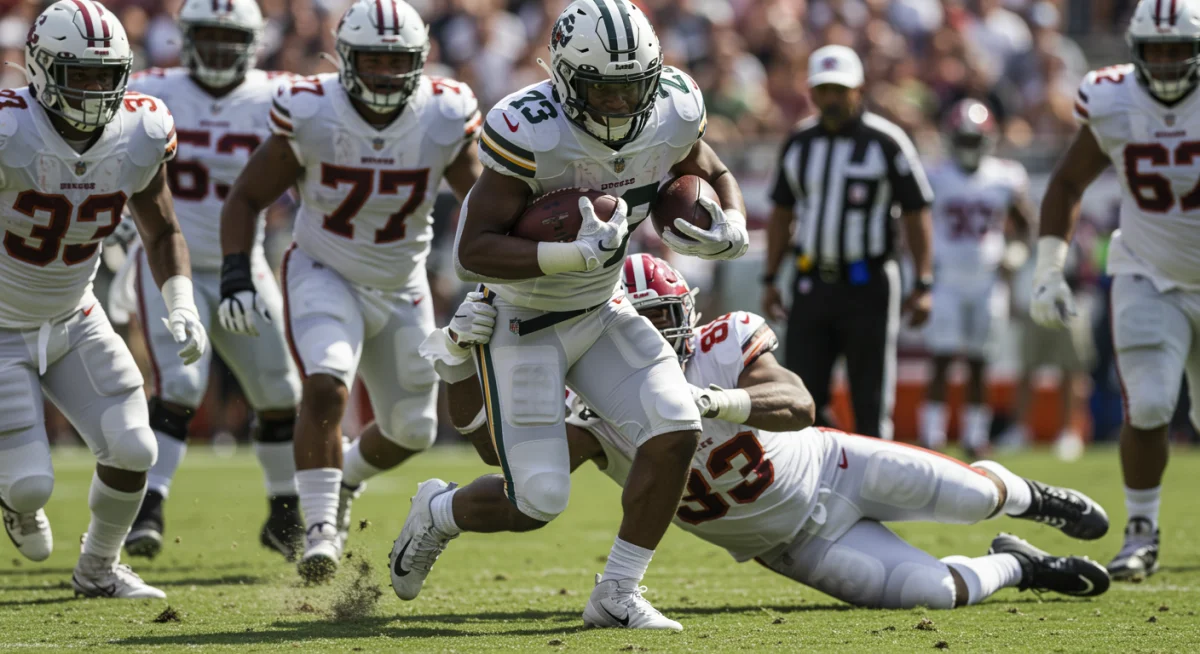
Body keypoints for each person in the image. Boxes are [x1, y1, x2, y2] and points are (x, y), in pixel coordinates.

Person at [425, 254, 1111, 612]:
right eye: (644, 322)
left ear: (688, 313)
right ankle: (1019, 565)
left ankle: (1030, 497)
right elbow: (511, 460)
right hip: (790, 544)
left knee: (975, 496)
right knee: (934, 594)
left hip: (836, 467)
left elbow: (798, 403)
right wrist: (459, 370)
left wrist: (709, 401)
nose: (660, 335)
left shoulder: (723, 344)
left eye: (667, 317)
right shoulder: (597, 403)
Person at [391, 0, 750, 631]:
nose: (619, 103)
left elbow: (712, 169)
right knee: (538, 500)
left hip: (603, 308)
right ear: (562, 78)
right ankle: (439, 512)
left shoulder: (673, 106)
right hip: (523, 318)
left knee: (676, 425)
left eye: (631, 88)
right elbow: (472, 251)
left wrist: (733, 224)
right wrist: (570, 254)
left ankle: (617, 592)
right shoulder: (530, 127)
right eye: (601, 89)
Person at [218, 0, 482, 583]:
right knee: (326, 380)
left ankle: (347, 480)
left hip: (402, 281)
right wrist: (236, 270)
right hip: (324, 269)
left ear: (419, 61)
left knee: (413, 430)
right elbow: (246, 196)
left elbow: (483, 202)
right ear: (345, 59)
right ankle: (319, 529)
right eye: (373, 61)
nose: (386, 74)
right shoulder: (312, 109)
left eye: (397, 61)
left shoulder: (443, 113)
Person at [0, 0, 207, 598]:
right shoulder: (10, 130)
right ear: (41, 69)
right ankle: (12, 499)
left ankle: (97, 570)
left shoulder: (140, 131)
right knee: (30, 486)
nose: (95, 90)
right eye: (81, 75)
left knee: (135, 446)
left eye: (106, 75)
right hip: (1, 327)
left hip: (74, 316)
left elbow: (162, 230)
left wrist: (180, 301)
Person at [118, 0, 304, 562]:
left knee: (281, 392)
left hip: (241, 264)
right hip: (167, 261)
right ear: (186, 37)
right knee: (180, 384)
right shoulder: (150, 90)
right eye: (208, 37)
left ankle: (284, 513)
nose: (220, 50)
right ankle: (146, 510)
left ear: (254, 43)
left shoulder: (280, 94)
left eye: (231, 39)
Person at [1033, 0, 1200, 582]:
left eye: (1179, 49)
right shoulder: (1113, 98)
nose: (1168, 61)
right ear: (1136, 51)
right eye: (1156, 50)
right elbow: (1067, 181)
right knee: (1149, 403)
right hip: (1147, 271)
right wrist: (1048, 268)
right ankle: (1141, 531)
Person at [763, 45, 934, 441]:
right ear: (811, 92)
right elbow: (782, 213)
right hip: (811, 282)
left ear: (860, 90)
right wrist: (770, 278)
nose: (831, 100)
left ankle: (871, 480)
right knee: (801, 400)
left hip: (868, 283)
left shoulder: (886, 141)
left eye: (840, 90)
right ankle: (822, 474)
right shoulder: (800, 142)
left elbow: (916, 211)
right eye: (823, 90)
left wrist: (923, 282)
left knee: (870, 401)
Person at [920, 99, 1033, 457]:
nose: (969, 147)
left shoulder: (1004, 176)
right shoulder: (936, 176)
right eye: (964, 140)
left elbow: (1026, 225)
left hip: (987, 280)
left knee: (979, 362)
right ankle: (931, 434)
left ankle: (975, 436)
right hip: (946, 279)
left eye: (974, 140)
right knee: (941, 358)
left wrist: (1016, 253)